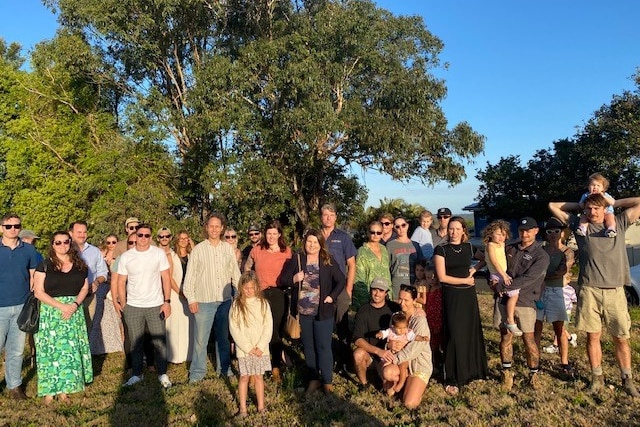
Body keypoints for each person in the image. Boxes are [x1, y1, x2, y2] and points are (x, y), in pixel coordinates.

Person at [550, 194, 640, 396]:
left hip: (615, 291)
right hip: (590, 290)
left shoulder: (619, 222)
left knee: (621, 338)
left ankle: (627, 380)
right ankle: (596, 378)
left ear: (604, 209)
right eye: (588, 209)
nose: (592, 212)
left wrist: (614, 203)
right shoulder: (580, 228)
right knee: (593, 337)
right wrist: (580, 204)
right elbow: (553, 205)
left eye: (596, 208)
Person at [280, 229, 345, 394]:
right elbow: (283, 279)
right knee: (308, 347)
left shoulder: (327, 260)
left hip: (323, 312)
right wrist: (294, 279)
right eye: (309, 241)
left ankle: (327, 381)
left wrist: (332, 296)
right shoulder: (298, 259)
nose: (312, 245)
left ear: (320, 244)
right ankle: (313, 379)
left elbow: (340, 280)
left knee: (323, 346)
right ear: (304, 243)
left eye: (315, 242)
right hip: (303, 312)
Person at [33, 231, 93, 403]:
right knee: (50, 352)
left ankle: (65, 390)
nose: (62, 245)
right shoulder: (44, 265)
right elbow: (38, 292)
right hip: (52, 313)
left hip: (74, 312)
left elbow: (84, 288)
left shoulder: (80, 265)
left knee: (69, 352)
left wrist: (73, 306)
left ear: (70, 243)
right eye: (58, 243)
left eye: (65, 242)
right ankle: (49, 392)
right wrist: (62, 307)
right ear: (52, 245)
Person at [183, 213, 241, 382]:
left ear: (222, 228)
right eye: (211, 226)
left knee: (223, 337)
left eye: (218, 226)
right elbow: (190, 277)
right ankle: (197, 372)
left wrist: (238, 294)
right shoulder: (198, 250)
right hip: (203, 301)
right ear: (206, 228)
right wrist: (191, 299)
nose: (214, 229)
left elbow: (234, 274)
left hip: (224, 301)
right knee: (201, 339)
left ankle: (224, 368)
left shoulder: (227, 249)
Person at [434, 216, 488, 395]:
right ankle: (452, 377)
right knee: (455, 335)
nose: (454, 232)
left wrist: (476, 268)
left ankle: (473, 371)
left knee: (469, 332)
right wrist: (465, 279)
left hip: (468, 297)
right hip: (452, 296)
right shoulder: (441, 250)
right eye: (451, 229)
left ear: (464, 230)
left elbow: (486, 258)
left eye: (458, 229)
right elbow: (442, 277)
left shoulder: (469, 247)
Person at [494, 217, 549, 391]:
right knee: (505, 337)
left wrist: (502, 285)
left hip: (525, 301)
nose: (524, 234)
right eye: (521, 230)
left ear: (536, 231)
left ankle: (534, 374)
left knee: (528, 339)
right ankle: (507, 373)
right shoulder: (510, 248)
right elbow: (497, 265)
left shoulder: (541, 255)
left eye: (528, 230)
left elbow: (530, 278)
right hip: (503, 299)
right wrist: (494, 282)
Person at [117, 224, 173, 388]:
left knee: (159, 342)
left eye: (146, 235)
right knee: (135, 342)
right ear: (136, 235)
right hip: (133, 306)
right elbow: (121, 281)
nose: (143, 238)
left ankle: (162, 373)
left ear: (151, 237)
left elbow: (166, 278)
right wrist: (124, 303)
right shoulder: (127, 256)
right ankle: (136, 374)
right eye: (140, 235)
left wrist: (167, 302)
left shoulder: (158, 254)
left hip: (155, 305)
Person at [244, 220, 292, 383]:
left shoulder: (287, 252)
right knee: (257, 331)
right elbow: (247, 268)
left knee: (274, 332)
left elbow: (293, 272)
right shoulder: (257, 250)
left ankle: (276, 367)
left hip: (279, 294)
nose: (271, 237)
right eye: (269, 233)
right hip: (260, 294)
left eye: (274, 233)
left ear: (279, 234)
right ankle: (256, 369)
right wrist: (249, 284)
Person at [0, 214, 39, 399]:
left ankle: (14, 386)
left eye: (16, 226)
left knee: (16, 349)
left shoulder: (29, 250)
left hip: (22, 307)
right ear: (2, 228)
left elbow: (35, 273)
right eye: (8, 226)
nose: (13, 229)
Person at [534, 217, 576, 377]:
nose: (552, 235)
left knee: (560, 329)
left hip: (557, 291)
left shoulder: (567, 251)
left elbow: (562, 270)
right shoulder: (541, 249)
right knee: (536, 328)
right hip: (539, 292)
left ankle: (564, 362)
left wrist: (543, 276)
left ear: (562, 233)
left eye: (556, 231)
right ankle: (535, 360)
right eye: (549, 232)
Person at [229, 271, 273, 417]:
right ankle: (243, 409)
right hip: (244, 350)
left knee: (259, 377)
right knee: (244, 377)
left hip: (261, 349)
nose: (249, 291)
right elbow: (234, 328)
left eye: (251, 287)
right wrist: (247, 347)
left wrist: (260, 346)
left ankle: (261, 406)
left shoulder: (263, 304)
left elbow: (268, 325)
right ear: (241, 288)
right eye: (245, 288)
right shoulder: (236, 305)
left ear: (257, 287)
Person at [380, 285, 432, 409]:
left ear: (414, 301)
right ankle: (404, 382)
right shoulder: (396, 316)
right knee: (387, 374)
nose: (402, 303)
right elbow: (389, 336)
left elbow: (414, 349)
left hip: (416, 364)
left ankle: (413, 384)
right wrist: (389, 344)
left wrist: (395, 359)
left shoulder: (420, 321)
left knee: (409, 403)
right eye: (400, 299)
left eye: (406, 300)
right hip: (401, 363)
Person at [319, 203, 357, 372]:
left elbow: (351, 264)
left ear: (336, 217)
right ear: (321, 216)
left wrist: (348, 288)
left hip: (340, 288)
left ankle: (345, 361)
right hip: (320, 288)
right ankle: (326, 360)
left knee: (341, 326)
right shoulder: (315, 236)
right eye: (325, 214)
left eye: (331, 215)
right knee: (323, 325)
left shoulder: (343, 237)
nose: (328, 218)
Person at [351, 277, 400, 389]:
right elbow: (357, 339)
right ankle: (364, 385)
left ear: (386, 293)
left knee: (390, 391)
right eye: (374, 290)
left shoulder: (394, 309)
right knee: (358, 354)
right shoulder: (363, 311)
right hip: (371, 354)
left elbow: (405, 327)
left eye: (381, 290)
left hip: (389, 355)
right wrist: (378, 351)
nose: (377, 294)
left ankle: (386, 380)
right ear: (370, 290)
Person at [157, 227, 193, 364]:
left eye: (186, 238)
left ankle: (188, 354)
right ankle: (175, 355)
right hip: (176, 293)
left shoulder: (192, 255)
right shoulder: (170, 256)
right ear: (177, 240)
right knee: (176, 325)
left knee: (188, 324)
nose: (183, 241)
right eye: (181, 238)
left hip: (189, 293)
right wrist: (180, 292)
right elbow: (169, 278)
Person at [69, 221, 109, 334]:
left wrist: (96, 282)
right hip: (70, 297)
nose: (82, 235)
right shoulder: (64, 250)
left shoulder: (95, 251)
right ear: (71, 233)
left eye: (84, 232)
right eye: (79, 232)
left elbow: (103, 272)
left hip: (89, 297)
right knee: (71, 330)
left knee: (87, 329)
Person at [483, 220, 522, 336]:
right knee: (514, 294)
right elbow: (495, 262)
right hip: (497, 273)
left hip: (503, 273)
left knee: (511, 295)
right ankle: (510, 321)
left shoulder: (502, 244)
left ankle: (509, 319)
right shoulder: (490, 245)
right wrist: (504, 276)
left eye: (503, 235)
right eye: (498, 234)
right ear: (491, 234)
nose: (501, 237)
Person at [376, 311, 427, 396]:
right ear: (393, 327)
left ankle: (401, 383)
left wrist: (422, 338)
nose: (402, 330)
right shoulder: (391, 331)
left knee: (403, 367)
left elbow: (414, 337)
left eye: (404, 328)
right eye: (399, 329)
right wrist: (380, 334)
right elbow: (384, 332)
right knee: (384, 366)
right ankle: (387, 382)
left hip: (403, 356)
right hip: (391, 355)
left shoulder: (407, 333)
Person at [353, 221, 392, 310]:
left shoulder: (384, 249)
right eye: (372, 232)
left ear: (382, 234)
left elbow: (387, 273)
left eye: (378, 233)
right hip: (369, 297)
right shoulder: (362, 251)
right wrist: (363, 304)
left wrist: (389, 294)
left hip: (385, 296)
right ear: (368, 233)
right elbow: (359, 278)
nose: (375, 235)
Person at [415, 261, 443, 373]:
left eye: (434, 277)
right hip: (429, 320)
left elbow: (438, 309)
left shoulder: (438, 291)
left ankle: (437, 365)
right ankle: (433, 365)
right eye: (428, 277)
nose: (432, 280)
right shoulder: (429, 289)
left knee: (435, 345)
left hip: (436, 321)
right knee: (431, 345)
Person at [386, 216, 422, 300]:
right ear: (394, 228)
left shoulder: (415, 245)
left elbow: (421, 266)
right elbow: (386, 268)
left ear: (408, 225)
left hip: (413, 287)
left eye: (403, 225)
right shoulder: (390, 245)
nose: (401, 228)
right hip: (396, 288)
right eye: (397, 226)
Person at [576, 173, 616, 238]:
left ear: (603, 188)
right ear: (588, 187)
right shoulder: (586, 195)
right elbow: (580, 205)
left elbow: (613, 202)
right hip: (588, 213)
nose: (595, 187)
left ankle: (611, 228)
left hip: (607, 212)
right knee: (583, 217)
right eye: (593, 185)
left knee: (610, 217)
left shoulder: (605, 195)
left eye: (598, 185)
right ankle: (582, 228)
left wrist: (603, 196)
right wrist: (587, 200)